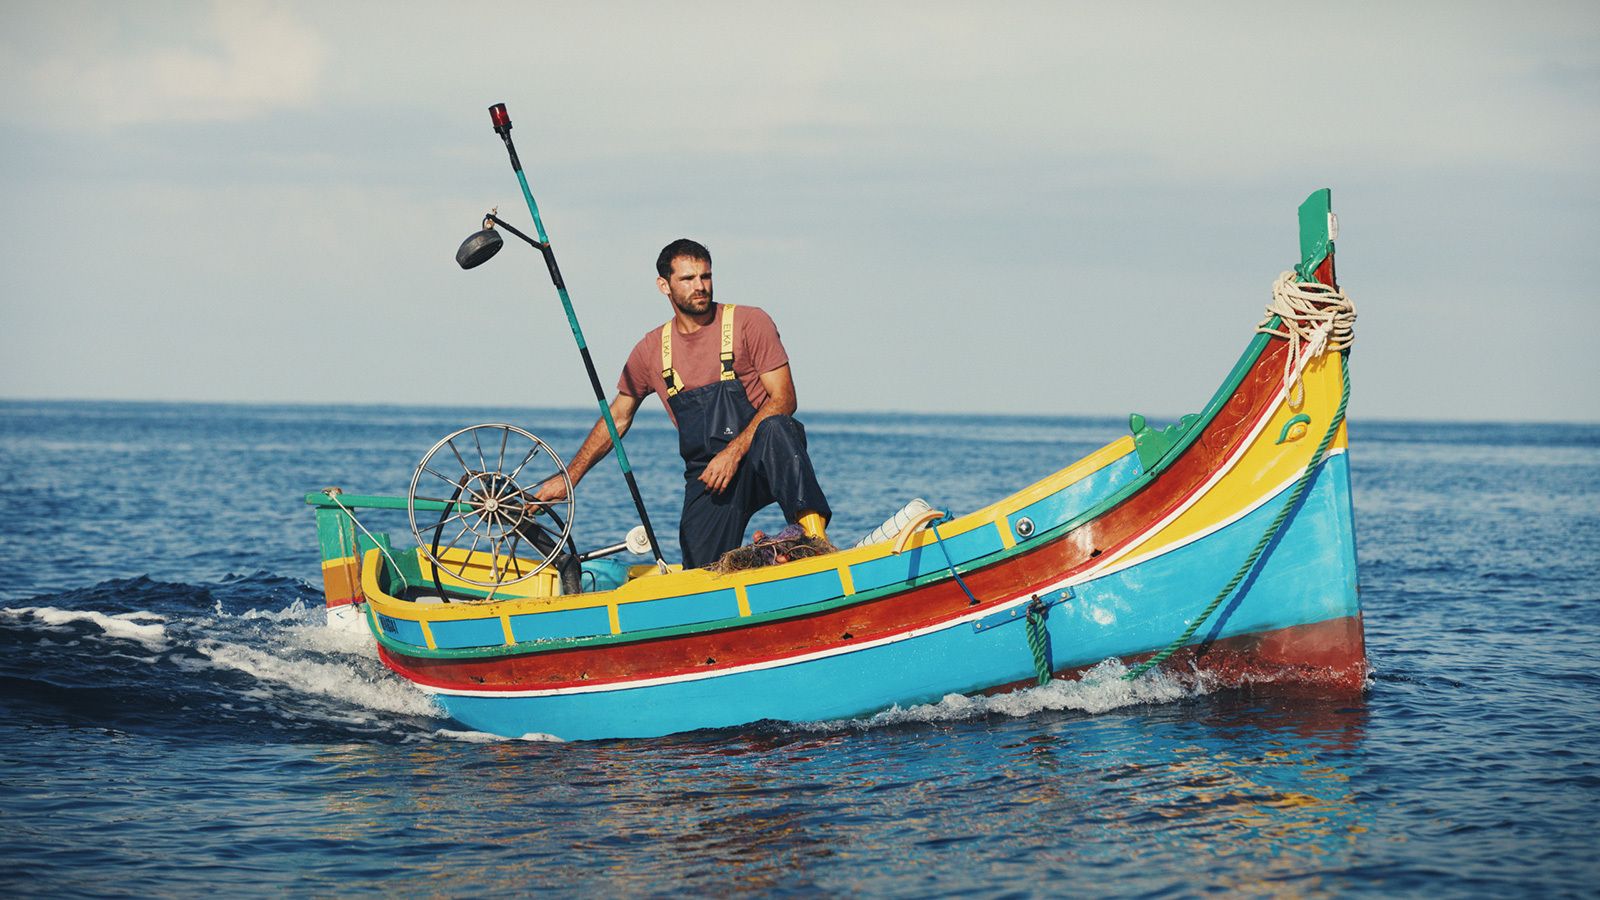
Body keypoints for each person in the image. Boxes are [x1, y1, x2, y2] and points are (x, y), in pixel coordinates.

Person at [535, 239, 831, 569]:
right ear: (664, 285)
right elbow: (617, 417)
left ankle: (815, 544)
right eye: (688, 279)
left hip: (760, 456)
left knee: (778, 428)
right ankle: (762, 560)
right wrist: (570, 477)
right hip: (709, 475)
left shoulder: (749, 322)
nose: (700, 286)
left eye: (705, 276)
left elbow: (784, 398)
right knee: (702, 571)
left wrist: (733, 453)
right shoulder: (651, 349)